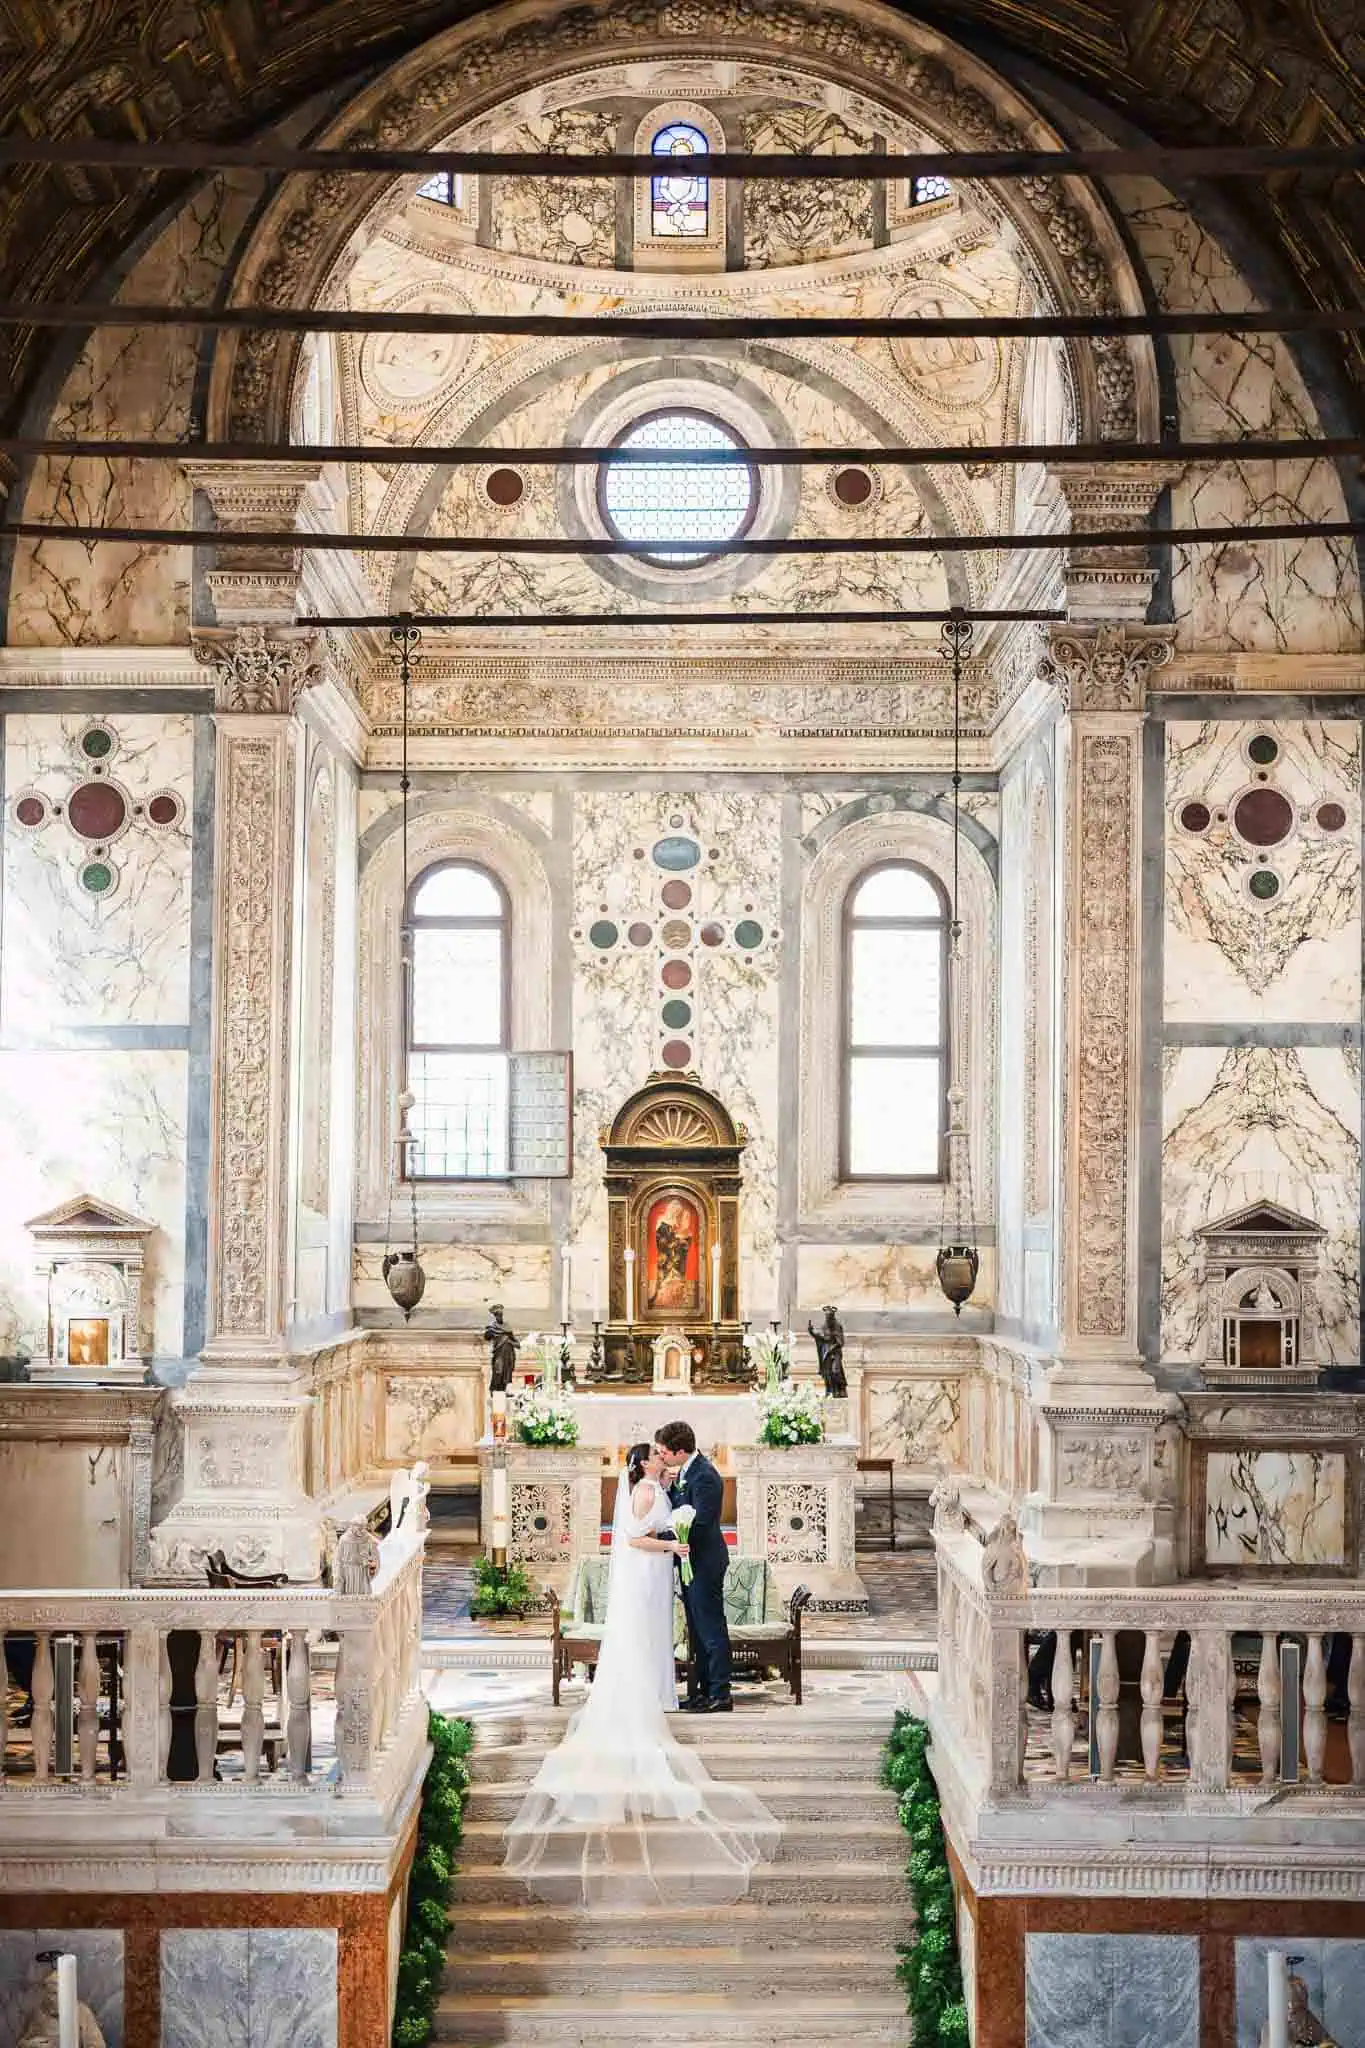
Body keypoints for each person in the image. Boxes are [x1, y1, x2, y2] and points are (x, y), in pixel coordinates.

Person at [502, 1438, 777, 1907]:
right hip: (650, 1569)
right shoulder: (645, 1492)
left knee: (659, 1636)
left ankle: (669, 1692)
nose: (662, 1461)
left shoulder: (660, 1484)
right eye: (656, 1457)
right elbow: (632, 1538)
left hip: (657, 1575)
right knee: (650, 1637)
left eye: (664, 1454)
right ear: (646, 1462)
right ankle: (656, 1694)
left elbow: (674, 1507)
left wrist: (675, 1527)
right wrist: (675, 1545)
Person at [654, 1418, 732, 1713]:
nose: (661, 1456)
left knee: (710, 1628)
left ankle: (720, 1693)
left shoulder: (705, 1476)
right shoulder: (687, 1472)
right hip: (691, 1560)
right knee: (696, 1630)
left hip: (705, 1561)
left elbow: (699, 1523)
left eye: (664, 1452)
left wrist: (665, 1538)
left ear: (678, 1451)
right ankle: (700, 1691)